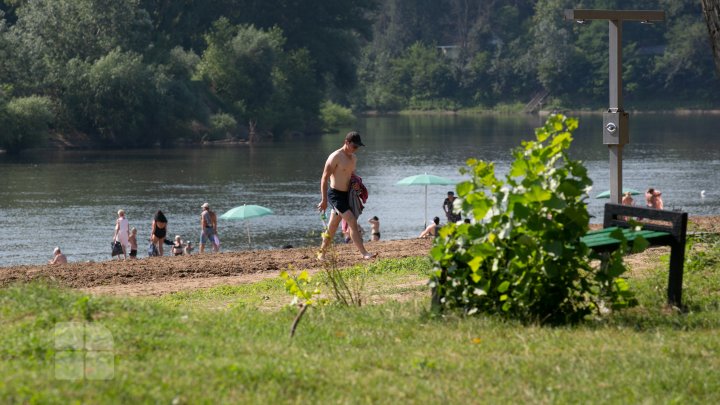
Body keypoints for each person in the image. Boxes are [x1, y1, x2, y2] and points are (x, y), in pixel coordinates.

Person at [317, 131, 376, 260]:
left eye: (358, 147)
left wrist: (356, 186)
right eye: (354, 146)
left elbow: (351, 177)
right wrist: (324, 200)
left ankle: (321, 253)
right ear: (346, 142)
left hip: (346, 195)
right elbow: (324, 178)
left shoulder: (353, 158)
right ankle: (364, 253)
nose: (356, 149)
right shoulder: (335, 156)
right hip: (335, 195)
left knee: (332, 226)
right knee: (352, 222)